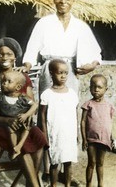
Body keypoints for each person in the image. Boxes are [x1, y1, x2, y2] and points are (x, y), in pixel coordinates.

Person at [17, 0, 102, 182]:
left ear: (73, 1)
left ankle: (66, 170)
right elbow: (32, 49)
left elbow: (97, 54)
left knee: (68, 120)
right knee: (48, 118)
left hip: (70, 71)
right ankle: (48, 169)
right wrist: (27, 65)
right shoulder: (44, 23)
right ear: (54, 0)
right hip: (49, 69)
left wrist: (91, 66)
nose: (63, 1)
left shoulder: (81, 26)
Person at [0, 37, 48, 187]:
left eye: (9, 54)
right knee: (23, 145)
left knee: (39, 137)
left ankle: (31, 182)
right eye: (0, 54)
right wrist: (6, 121)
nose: (4, 58)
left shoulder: (23, 78)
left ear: (15, 57)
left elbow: (30, 105)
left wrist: (28, 117)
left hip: (20, 122)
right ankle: (35, 185)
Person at [40, 59, 79, 187]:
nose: (63, 76)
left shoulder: (72, 94)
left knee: (68, 161)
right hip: (54, 133)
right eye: (60, 73)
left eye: (66, 73)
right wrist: (45, 135)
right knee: (54, 162)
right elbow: (42, 116)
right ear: (51, 73)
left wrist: (77, 133)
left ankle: (67, 184)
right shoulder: (47, 94)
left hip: (69, 133)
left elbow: (75, 113)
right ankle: (54, 185)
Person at [0, 71, 38, 160]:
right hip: (11, 123)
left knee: (26, 129)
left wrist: (26, 115)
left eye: (9, 81)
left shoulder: (22, 97)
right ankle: (15, 148)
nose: (4, 83)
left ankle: (19, 145)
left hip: (22, 119)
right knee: (10, 130)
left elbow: (35, 105)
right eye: (3, 81)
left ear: (18, 87)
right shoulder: (1, 97)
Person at [80, 74, 115, 187]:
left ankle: (101, 184)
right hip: (91, 139)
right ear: (89, 88)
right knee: (91, 163)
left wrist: (111, 137)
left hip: (104, 139)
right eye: (93, 87)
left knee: (100, 163)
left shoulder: (109, 106)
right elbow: (83, 122)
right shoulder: (88, 104)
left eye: (99, 87)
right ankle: (88, 184)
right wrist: (84, 139)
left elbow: (109, 123)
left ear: (106, 89)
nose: (96, 90)